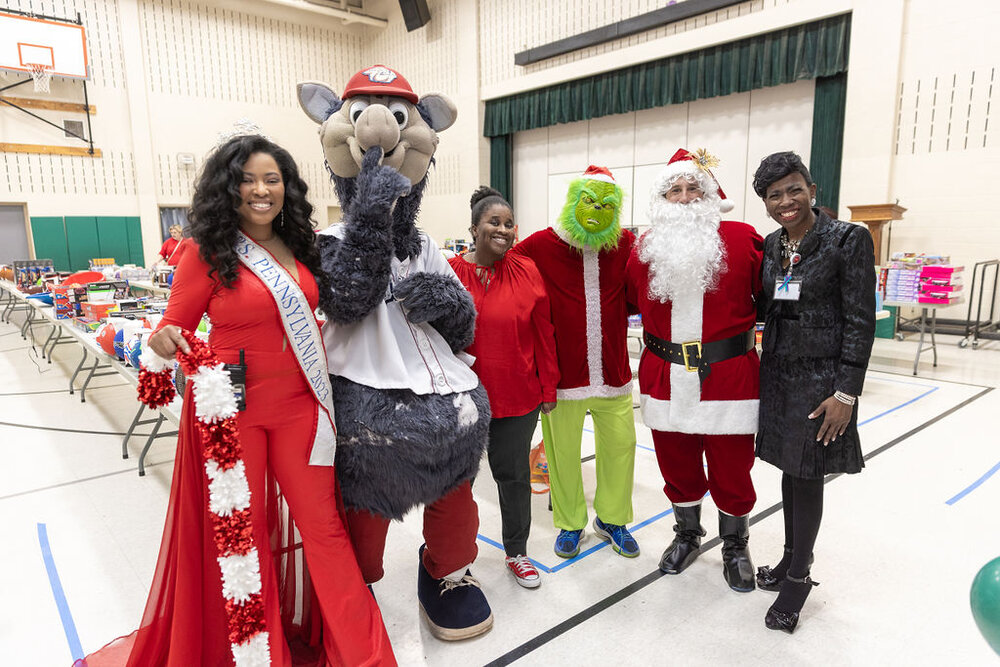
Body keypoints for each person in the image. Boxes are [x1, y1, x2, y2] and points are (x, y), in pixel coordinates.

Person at [81, 134, 395, 665]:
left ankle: (367, 657)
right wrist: (163, 341)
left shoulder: (301, 243)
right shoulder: (205, 252)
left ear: (286, 188)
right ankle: (255, 656)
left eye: (271, 179)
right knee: (242, 539)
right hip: (233, 411)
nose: (260, 190)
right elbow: (172, 326)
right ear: (228, 189)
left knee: (324, 531)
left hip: (302, 407)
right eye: (247, 179)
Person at [625, 148, 763, 592]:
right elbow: (627, 301)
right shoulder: (644, 248)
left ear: (710, 195)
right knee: (676, 464)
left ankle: (735, 544)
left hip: (729, 375)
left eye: (692, 189)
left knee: (732, 468)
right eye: (674, 190)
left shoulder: (744, 239)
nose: (684, 198)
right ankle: (687, 534)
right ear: (661, 199)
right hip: (665, 375)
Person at [752, 151, 876, 633]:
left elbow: (861, 321)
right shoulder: (772, 244)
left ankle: (799, 578)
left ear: (812, 189)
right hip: (779, 374)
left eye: (793, 189)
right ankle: (788, 561)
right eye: (774, 194)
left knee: (806, 478)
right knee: (789, 471)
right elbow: (770, 305)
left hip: (822, 383)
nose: (786, 201)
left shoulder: (847, 239)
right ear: (765, 202)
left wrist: (846, 393)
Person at [511, 166, 639, 560]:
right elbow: (507, 273)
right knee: (562, 453)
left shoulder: (626, 244)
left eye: (605, 204)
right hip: (562, 377)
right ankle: (570, 523)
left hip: (614, 373)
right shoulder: (540, 246)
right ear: (573, 201)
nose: (596, 210)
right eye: (589, 201)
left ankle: (613, 518)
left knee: (622, 447)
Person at [449, 186, 559, 589]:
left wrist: (549, 388)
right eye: (493, 222)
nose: (503, 229)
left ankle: (517, 552)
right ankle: (452, 558)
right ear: (474, 227)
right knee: (456, 484)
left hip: (518, 397)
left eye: (509, 223)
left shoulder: (527, 271)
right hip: (462, 400)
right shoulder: (451, 274)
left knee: (512, 477)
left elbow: (543, 332)